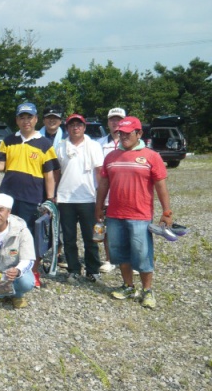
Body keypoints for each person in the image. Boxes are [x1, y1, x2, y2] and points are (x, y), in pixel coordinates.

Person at [95, 116, 173, 309]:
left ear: (139, 133)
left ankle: (147, 290)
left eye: (127, 133)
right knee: (120, 253)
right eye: (120, 133)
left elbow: (160, 184)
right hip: (114, 214)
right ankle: (128, 286)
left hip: (140, 216)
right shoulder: (111, 157)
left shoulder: (151, 156)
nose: (123, 136)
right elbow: (104, 184)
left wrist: (167, 211)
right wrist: (98, 207)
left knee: (142, 253)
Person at [0, 102, 60, 287]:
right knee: (6, 232)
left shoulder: (45, 143)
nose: (25, 121)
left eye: (29, 117)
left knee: (31, 236)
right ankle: (4, 269)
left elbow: (49, 174)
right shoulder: (8, 140)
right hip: (8, 196)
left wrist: (50, 199)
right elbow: (2, 165)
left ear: (35, 119)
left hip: (32, 197)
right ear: (17, 120)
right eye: (22, 117)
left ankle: (32, 272)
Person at [56, 114, 104, 284]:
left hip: (88, 198)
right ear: (67, 128)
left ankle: (93, 270)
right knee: (69, 238)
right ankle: (73, 269)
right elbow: (57, 172)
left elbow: (99, 172)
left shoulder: (94, 146)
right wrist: (54, 194)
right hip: (65, 198)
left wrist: (101, 198)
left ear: (84, 127)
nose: (75, 128)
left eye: (79, 125)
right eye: (72, 125)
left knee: (90, 237)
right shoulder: (60, 146)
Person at [96, 107, 126, 273]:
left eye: (119, 119)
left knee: (127, 227)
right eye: (112, 119)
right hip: (106, 193)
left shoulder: (130, 143)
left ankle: (130, 260)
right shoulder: (99, 143)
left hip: (125, 193)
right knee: (107, 227)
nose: (116, 123)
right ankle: (109, 259)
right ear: (108, 122)